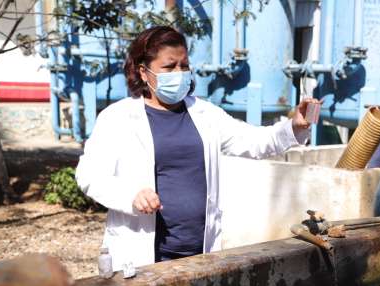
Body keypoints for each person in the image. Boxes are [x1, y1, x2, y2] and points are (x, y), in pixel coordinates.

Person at [76, 26, 316, 271]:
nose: (179, 73)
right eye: (169, 67)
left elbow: (253, 142)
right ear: (143, 72)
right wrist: (131, 196)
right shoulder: (117, 118)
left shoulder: (204, 113)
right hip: (144, 253)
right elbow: (89, 176)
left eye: (184, 65)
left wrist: (294, 127)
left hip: (199, 253)